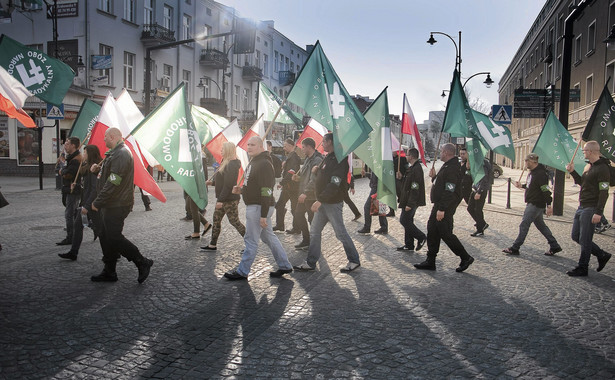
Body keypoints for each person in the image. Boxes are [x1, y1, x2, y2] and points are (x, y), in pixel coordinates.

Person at [224, 136, 293, 280]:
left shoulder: (264, 164)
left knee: (251, 240)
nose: (249, 147)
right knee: (269, 237)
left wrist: (263, 214)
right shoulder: (254, 162)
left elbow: (266, 190)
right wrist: (242, 190)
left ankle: (242, 271)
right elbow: (254, 186)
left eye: (253, 145)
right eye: (248, 144)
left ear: (261, 147)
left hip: (259, 207)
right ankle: (285, 265)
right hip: (257, 206)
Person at [90, 127, 154, 283]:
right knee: (105, 237)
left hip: (117, 204)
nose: (103, 140)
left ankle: (142, 261)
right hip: (110, 203)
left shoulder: (121, 154)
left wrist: (98, 201)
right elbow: (107, 177)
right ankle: (109, 271)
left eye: (105, 137)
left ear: (112, 137)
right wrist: (95, 171)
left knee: (114, 237)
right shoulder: (115, 153)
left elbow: (114, 181)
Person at [293, 133, 361, 273]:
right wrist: (316, 171)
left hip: (332, 203)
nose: (321, 143)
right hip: (323, 202)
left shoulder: (340, 159)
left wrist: (320, 200)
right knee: (314, 231)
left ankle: (354, 260)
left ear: (330, 142)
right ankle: (311, 262)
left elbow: (334, 184)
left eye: (324, 141)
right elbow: (323, 176)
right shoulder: (327, 157)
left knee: (340, 233)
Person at [414, 143, 474, 272]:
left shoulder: (453, 167)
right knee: (432, 230)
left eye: (441, 151)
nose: (440, 153)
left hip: (444, 206)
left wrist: (442, 208)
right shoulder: (447, 165)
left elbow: (449, 189)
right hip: (440, 204)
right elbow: (442, 184)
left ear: (446, 152)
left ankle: (465, 257)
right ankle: (430, 260)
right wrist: (434, 177)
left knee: (446, 233)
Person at [564, 141, 612, 277]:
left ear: (590, 151)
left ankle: (582, 267)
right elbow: (582, 183)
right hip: (582, 206)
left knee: (585, 239)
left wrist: (599, 212)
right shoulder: (588, 166)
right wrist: (573, 172)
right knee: (576, 236)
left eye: (584, 151)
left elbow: (604, 192)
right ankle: (601, 254)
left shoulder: (602, 168)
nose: (583, 153)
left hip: (591, 208)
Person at [502, 153, 562, 256]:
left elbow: (545, 190)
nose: (526, 163)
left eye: (527, 161)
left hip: (535, 204)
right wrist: (523, 186)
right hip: (533, 202)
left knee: (524, 224)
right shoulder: (532, 173)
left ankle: (515, 247)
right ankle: (554, 245)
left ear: (534, 162)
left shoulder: (540, 174)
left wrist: (549, 205)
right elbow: (532, 186)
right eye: (525, 161)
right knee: (541, 226)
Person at [59, 145, 103, 261]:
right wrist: (78, 185)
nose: (83, 155)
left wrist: (87, 206)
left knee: (101, 231)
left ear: (90, 154)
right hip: (87, 203)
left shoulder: (94, 169)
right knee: (78, 225)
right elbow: (87, 187)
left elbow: (95, 190)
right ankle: (73, 252)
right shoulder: (86, 167)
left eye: (85, 153)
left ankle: (113, 253)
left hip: (92, 205)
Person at [201, 142, 245, 251]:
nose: (221, 151)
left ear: (229, 150)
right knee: (216, 220)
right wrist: (211, 183)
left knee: (234, 222)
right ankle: (212, 244)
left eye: (223, 149)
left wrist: (220, 200)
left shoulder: (232, 164)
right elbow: (222, 182)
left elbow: (228, 185)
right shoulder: (225, 162)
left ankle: (250, 243)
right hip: (222, 198)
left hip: (229, 199)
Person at [292, 137, 323, 250]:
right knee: (298, 214)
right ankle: (306, 240)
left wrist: (305, 192)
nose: (302, 149)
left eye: (303, 147)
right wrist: (298, 178)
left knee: (312, 220)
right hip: (303, 194)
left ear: (309, 147)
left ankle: (314, 242)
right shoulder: (307, 159)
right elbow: (305, 177)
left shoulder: (317, 160)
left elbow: (314, 180)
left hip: (311, 195)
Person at [397, 148, 427, 252]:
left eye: (407, 154)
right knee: (408, 221)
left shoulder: (416, 169)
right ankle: (409, 244)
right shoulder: (412, 168)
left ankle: (421, 237)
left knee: (404, 220)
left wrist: (410, 203)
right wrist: (401, 178)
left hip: (411, 201)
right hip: (407, 199)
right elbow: (407, 183)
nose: (406, 156)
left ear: (412, 156)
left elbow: (415, 187)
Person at [56, 137, 82, 246]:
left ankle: (70, 237)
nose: (65, 146)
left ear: (73, 146)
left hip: (73, 190)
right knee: (73, 213)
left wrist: (63, 171)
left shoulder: (76, 159)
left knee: (69, 214)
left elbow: (68, 174)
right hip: (68, 188)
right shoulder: (70, 158)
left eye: (67, 144)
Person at [273, 138, 301, 233]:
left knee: (294, 209)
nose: (284, 148)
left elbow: (291, 172)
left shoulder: (293, 157)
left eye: (285, 146)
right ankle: (280, 225)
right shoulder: (291, 156)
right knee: (280, 205)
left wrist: (282, 183)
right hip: (288, 187)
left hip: (292, 187)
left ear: (290, 146)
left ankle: (297, 228)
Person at [358, 168, 388, 235]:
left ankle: (367, 227)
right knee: (381, 207)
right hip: (379, 188)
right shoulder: (377, 163)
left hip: (377, 188)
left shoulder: (378, 164)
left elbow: (377, 178)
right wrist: (366, 174)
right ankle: (384, 227)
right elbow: (373, 177)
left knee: (367, 207)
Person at [467, 157, 492, 237]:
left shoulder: (483, 165)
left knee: (478, 210)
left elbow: (484, 180)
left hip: (480, 191)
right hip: (475, 189)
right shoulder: (477, 164)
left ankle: (480, 229)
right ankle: (482, 223)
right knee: (470, 208)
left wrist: (479, 192)